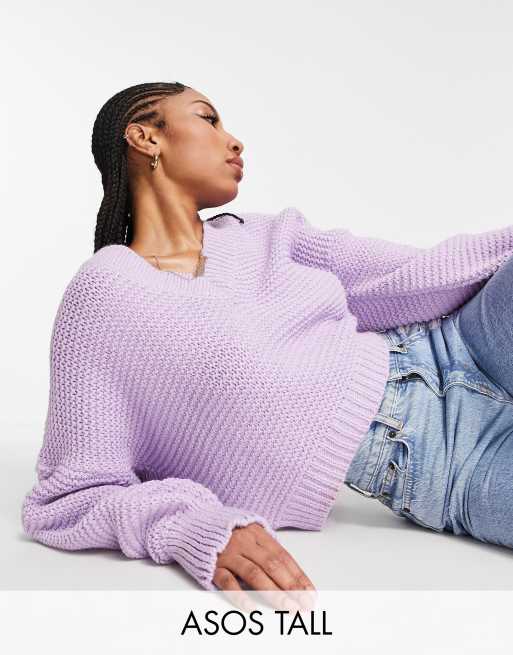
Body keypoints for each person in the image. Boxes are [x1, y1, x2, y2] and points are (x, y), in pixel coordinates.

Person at [20, 82, 513, 601]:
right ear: (145, 138)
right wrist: (192, 525)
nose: (234, 141)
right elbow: (70, 497)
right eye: (208, 119)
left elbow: (413, 276)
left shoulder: (261, 233)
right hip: (447, 468)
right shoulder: (107, 293)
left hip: (464, 343)